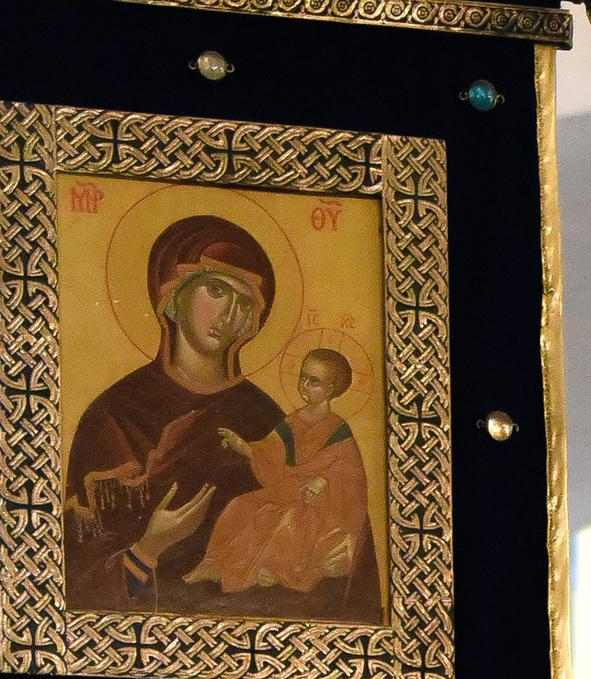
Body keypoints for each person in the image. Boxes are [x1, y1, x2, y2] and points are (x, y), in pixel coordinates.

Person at [62, 211, 285, 615]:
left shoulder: (266, 417)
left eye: (244, 302)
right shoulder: (112, 416)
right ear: (173, 295)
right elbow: (73, 581)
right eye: (216, 290)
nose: (229, 314)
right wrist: (149, 548)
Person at [185, 343, 381, 613]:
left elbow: (349, 472)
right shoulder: (293, 421)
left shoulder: (338, 429)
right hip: (289, 490)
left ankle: (275, 569)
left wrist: (322, 481)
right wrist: (244, 446)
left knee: (291, 520)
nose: (304, 385)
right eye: (303, 377)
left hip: (323, 506)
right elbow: (270, 451)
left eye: (314, 382)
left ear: (331, 389)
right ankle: (214, 564)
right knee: (242, 506)